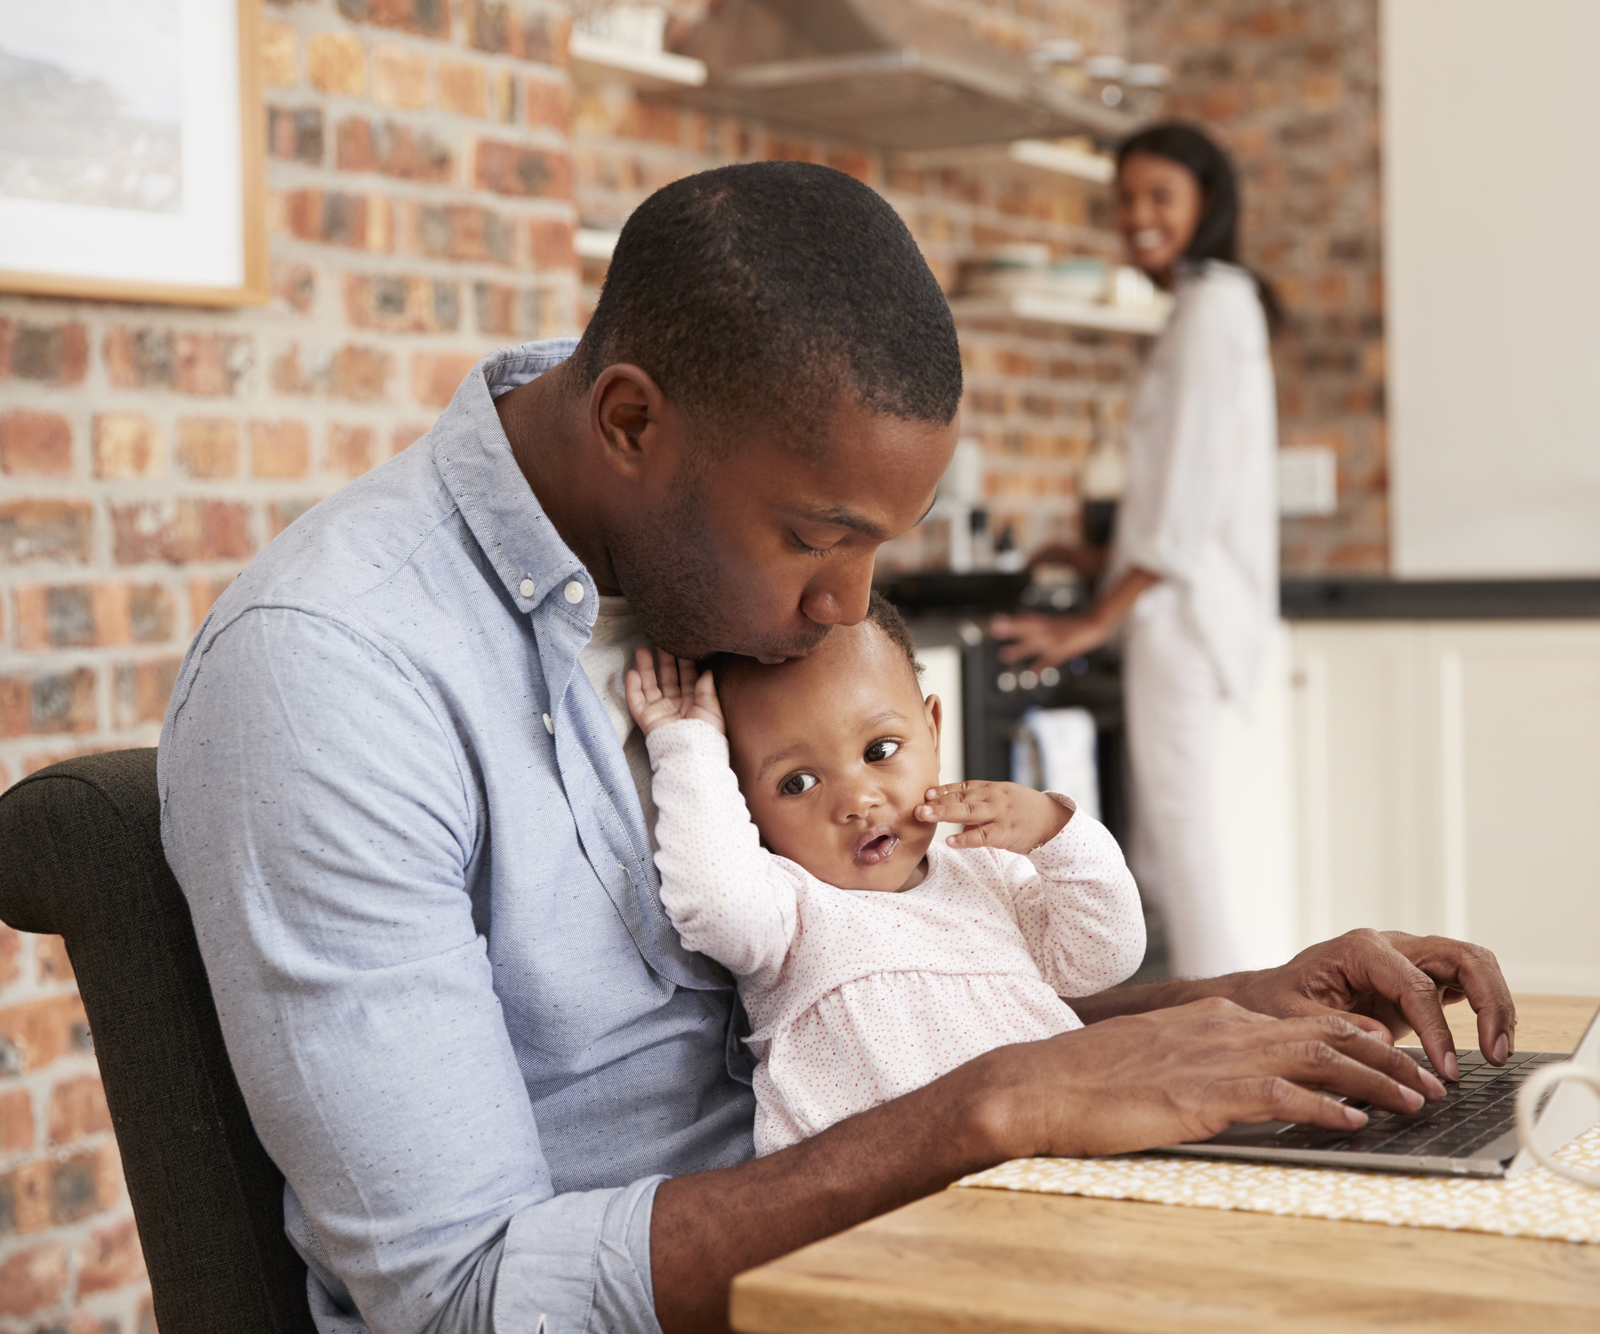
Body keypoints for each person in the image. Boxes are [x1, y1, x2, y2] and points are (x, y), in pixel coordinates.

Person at [158, 161, 1515, 1334]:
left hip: (907, 1259)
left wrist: (1212, 1015)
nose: (848, 608)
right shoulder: (334, 673)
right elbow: (463, 1291)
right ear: (631, 422)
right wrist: (996, 1105)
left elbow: (842, 1036)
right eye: (819, 537)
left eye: (876, 546)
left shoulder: (688, 573)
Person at [624, 594, 1147, 1156]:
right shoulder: (790, 906)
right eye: (797, 783)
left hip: (1055, 1160)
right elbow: (715, 903)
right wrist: (689, 746)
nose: (857, 800)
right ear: (743, 807)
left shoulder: (989, 871)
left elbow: (1106, 956)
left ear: (933, 731)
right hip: (891, 1206)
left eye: (881, 749)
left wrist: (1054, 830)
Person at [991, 124, 1280, 979]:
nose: (1137, 216)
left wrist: (1090, 622)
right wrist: (1097, 564)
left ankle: (1230, 1044)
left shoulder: (1210, 308)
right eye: (1125, 198)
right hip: (1178, 605)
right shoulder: (1208, 303)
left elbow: (1185, 506)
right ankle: (1207, 1037)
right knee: (1164, 853)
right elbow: (1184, 490)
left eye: (1160, 196)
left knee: (1180, 855)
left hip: (1179, 616)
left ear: (1206, 204)